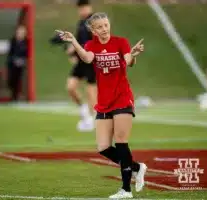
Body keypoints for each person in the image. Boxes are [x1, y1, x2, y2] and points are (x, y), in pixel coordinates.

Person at [56, 12, 147, 199]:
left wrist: (134, 55)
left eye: (106, 25)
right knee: (104, 147)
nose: (104, 29)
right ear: (93, 30)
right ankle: (137, 167)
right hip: (104, 102)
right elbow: (87, 58)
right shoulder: (91, 45)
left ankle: (126, 190)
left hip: (122, 98)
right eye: (100, 27)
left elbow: (128, 61)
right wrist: (73, 40)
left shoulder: (121, 42)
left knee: (121, 141)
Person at [51, 0, 97, 132]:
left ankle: (94, 121)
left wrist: (76, 49)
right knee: (71, 87)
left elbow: (94, 43)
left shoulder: (94, 22)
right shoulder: (81, 23)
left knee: (91, 92)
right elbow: (77, 42)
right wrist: (71, 52)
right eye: (80, 8)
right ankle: (85, 114)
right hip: (81, 61)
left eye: (84, 7)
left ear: (89, 7)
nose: (82, 10)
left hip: (92, 60)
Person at [6, 25, 28, 101]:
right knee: (11, 80)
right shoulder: (13, 41)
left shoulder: (26, 42)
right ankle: (12, 95)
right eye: (19, 32)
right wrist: (14, 60)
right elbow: (10, 53)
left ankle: (18, 96)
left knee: (19, 79)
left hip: (21, 64)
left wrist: (22, 60)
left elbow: (26, 53)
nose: (21, 34)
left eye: (22, 32)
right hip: (12, 64)